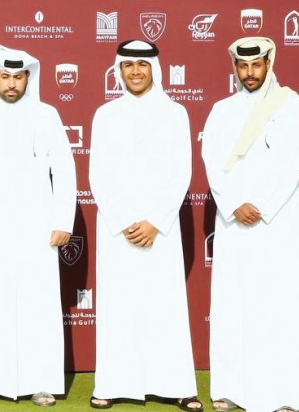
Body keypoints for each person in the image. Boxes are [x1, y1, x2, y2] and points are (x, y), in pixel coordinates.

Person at [0, 45, 75, 407]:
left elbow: (64, 169)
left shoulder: (47, 114)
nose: (11, 84)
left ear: (28, 78)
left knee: (38, 302)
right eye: (4, 76)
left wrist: (62, 219)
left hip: (36, 225)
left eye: (18, 77)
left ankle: (41, 382)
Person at [201, 37, 299, 412]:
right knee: (233, 304)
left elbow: (294, 163)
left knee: (278, 304)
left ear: (269, 63)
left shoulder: (292, 105)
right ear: (234, 67)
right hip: (234, 223)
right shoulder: (221, 110)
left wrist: (262, 206)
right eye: (242, 66)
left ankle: (286, 394)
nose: (249, 73)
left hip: (276, 223)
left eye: (256, 65)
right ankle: (233, 390)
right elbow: (212, 161)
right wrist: (234, 204)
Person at [88, 40, 199, 411]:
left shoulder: (175, 113)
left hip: (160, 230)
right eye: (128, 66)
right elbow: (98, 175)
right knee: (118, 305)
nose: (135, 72)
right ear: (118, 69)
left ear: (155, 69)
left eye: (142, 65)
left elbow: (180, 172)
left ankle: (177, 386)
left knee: (164, 305)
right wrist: (123, 221)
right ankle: (111, 384)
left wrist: (155, 221)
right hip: (116, 228)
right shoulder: (105, 114)